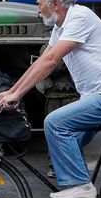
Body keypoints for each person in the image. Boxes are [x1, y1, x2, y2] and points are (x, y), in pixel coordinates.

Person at [0, 0, 101, 198]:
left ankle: (82, 186)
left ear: (55, 4)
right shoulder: (61, 26)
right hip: (97, 97)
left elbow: (51, 61)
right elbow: (40, 62)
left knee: (54, 123)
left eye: (39, 2)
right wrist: (11, 91)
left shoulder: (80, 17)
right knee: (64, 144)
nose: (37, 8)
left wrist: (18, 95)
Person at [34, 43, 79, 179]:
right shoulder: (49, 46)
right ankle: (55, 166)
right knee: (54, 133)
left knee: (71, 134)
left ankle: (72, 166)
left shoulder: (69, 44)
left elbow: (53, 66)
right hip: (54, 95)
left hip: (69, 95)